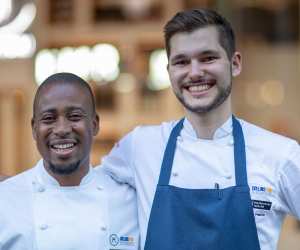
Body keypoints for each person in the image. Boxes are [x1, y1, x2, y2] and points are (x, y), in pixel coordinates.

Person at [101, 8, 300, 250]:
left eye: (207, 58)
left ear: (235, 64)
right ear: (170, 72)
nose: (194, 72)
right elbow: (85, 195)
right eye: (181, 61)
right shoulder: (140, 146)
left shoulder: (279, 154)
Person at [0, 73, 139, 250]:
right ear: (34, 129)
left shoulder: (130, 200)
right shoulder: (5, 198)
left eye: (74, 116)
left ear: (94, 124)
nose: (62, 129)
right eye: (49, 118)